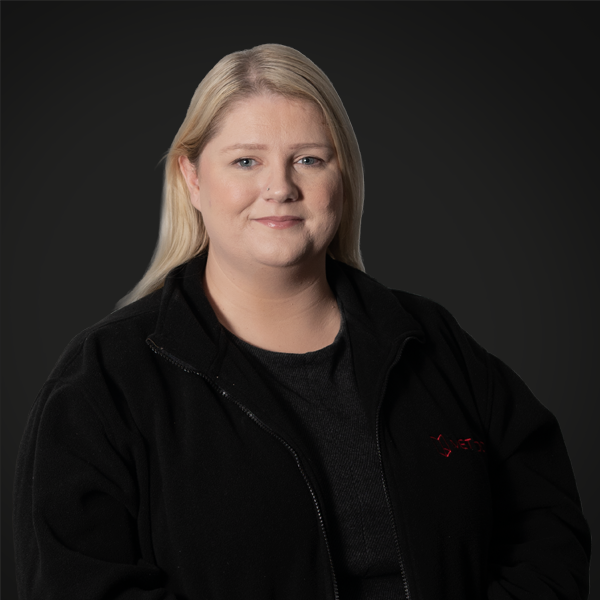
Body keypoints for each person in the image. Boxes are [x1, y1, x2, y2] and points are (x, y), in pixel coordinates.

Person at [13, 43, 590, 600]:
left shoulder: (431, 342)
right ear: (192, 178)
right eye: (246, 161)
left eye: (309, 160)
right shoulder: (107, 377)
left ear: (343, 176)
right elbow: (78, 583)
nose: (280, 188)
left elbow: (548, 529)